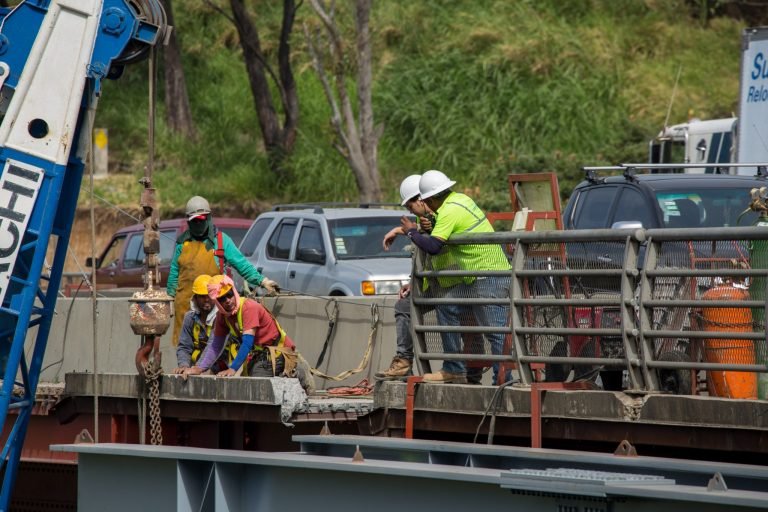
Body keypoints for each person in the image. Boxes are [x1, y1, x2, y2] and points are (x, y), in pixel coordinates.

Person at [401, 170, 511, 384]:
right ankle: (454, 368)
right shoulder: (460, 199)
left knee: (495, 331)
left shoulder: (449, 211)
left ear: (430, 198)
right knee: (448, 307)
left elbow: (433, 246)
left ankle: (504, 380)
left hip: (488, 273)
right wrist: (429, 227)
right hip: (477, 276)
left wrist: (411, 232)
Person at [167, 196, 279, 346]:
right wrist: (169, 298)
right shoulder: (182, 244)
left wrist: (263, 281)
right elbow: (174, 274)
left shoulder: (221, 241)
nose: (198, 224)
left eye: (202, 219)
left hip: (216, 309)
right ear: (189, 221)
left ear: (209, 218)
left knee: (216, 349)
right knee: (186, 350)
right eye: (195, 221)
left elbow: (242, 265)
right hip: (186, 309)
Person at [375, 175, 434, 380]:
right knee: (404, 306)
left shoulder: (440, 213)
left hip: (460, 282)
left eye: (410, 205)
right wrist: (400, 230)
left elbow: (433, 242)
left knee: (465, 326)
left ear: (421, 199)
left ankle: (463, 370)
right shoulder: (426, 217)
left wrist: (405, 231)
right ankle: (404, 361)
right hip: (441, 281)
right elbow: (424, 236)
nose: (409, 211)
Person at [182, 275, 296, 378]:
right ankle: (290, 373)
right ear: (216, 301)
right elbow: (216, 345)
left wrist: (232, 369)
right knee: (249, 378)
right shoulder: (222, 316)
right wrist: (199, 368)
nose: (227, 301)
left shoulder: (248, 308)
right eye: (222, 298)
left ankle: (296, 373)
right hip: (260, 354)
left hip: (278, 351)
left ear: (234, 291)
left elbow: (247, 342)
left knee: (257, 380)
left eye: (229, 295)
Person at [171, 274, 230, 375]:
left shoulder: (221, 317)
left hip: (225, 368)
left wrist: (198, 368)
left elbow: (214, 345)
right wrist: (184, 366)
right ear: (195, 298)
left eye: (209, 296)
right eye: (202, 296)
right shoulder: (190, 318)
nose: (206, 299)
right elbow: (184, 346)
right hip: (199, 368)